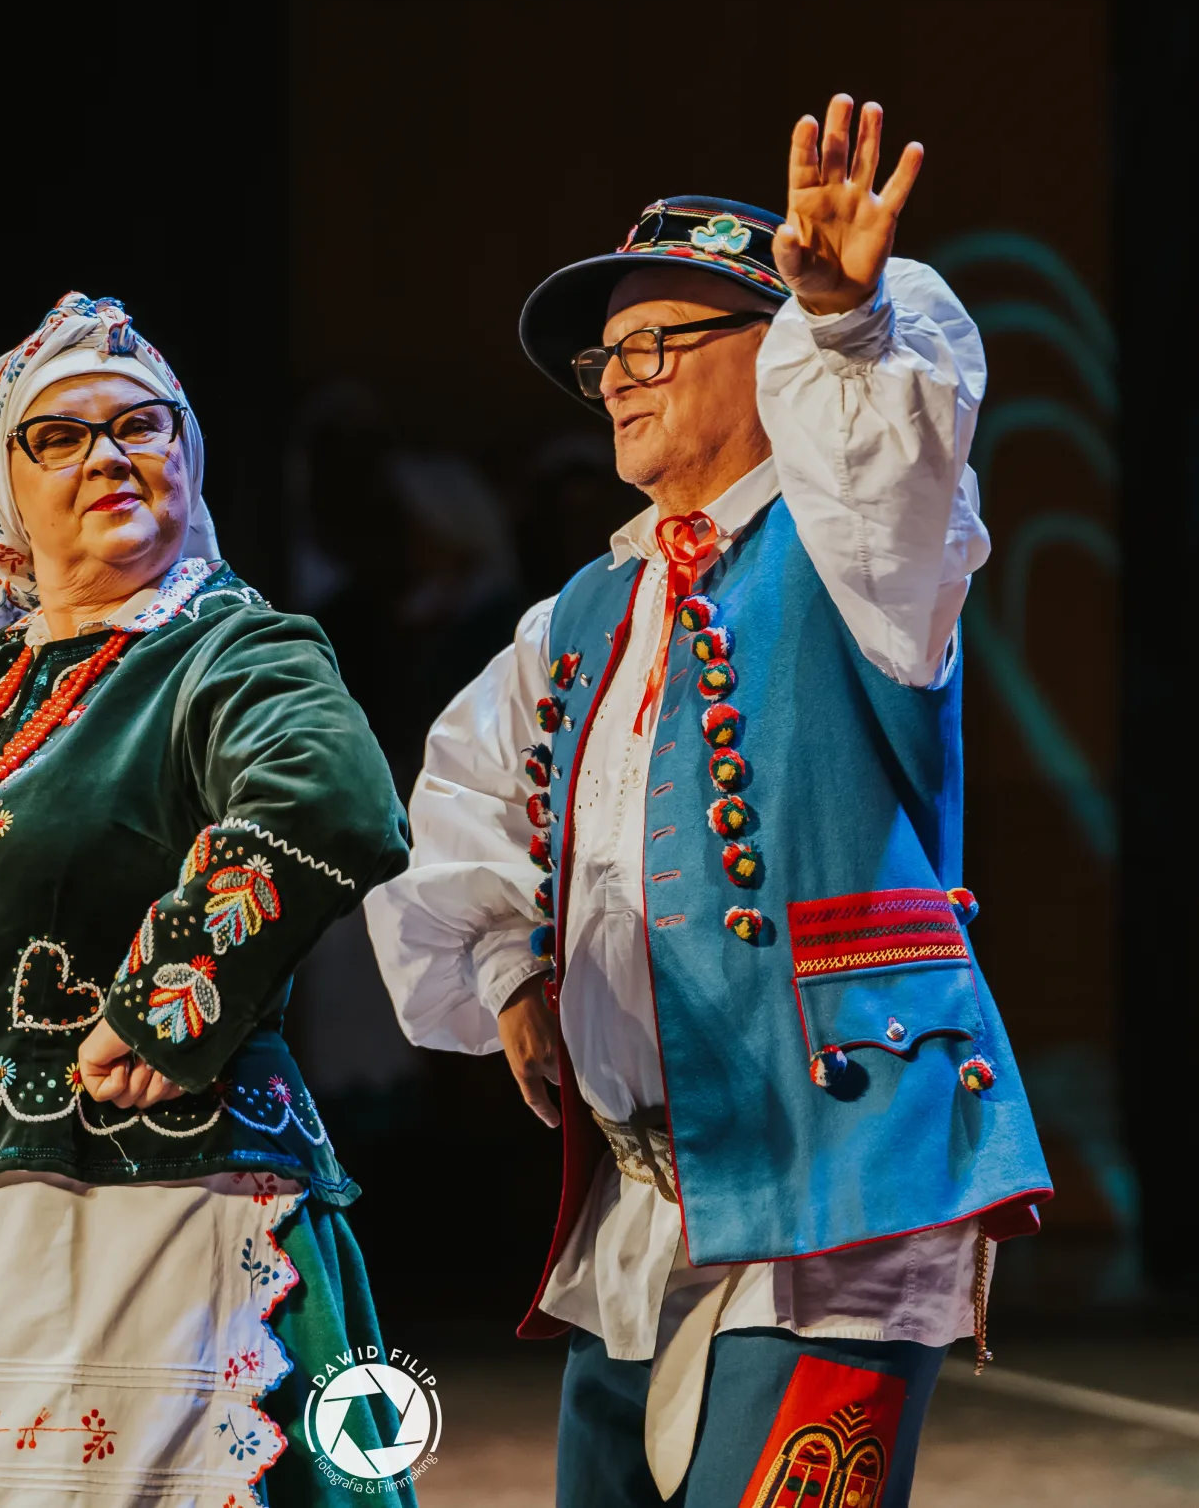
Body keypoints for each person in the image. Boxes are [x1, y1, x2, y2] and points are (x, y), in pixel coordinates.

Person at [364, 98, 1055, 1507]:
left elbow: (890, 460)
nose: (614, 383)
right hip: (645, 1203)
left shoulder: (863, 554)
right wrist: (507, 968)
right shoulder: (587, 608)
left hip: (839, 1186)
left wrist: (847, 327)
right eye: (603, 361)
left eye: (653, 346)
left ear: (770, 353)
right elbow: (471, 790)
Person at [0, 292, 412, 1507]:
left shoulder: (232, 650)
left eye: (140, 426)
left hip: (150, 1207)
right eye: (60, 436)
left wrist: (170, 1003)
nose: (108, 454)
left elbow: (330, 796)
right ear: (0, 484)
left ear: (186, 454)